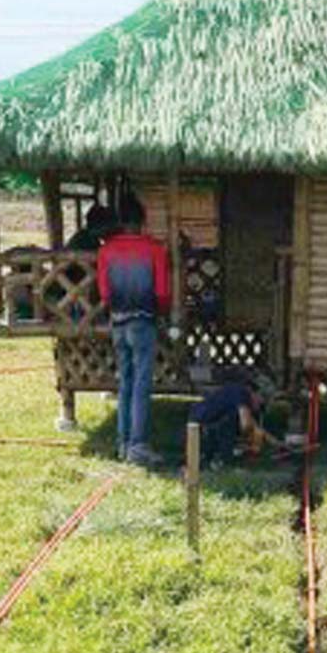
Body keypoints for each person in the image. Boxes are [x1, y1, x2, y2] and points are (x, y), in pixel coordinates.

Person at [96, 194, 170, 465]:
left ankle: (122, 442)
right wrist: (161, 313)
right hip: (143, 322)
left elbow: (104, 294)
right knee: (141, 384)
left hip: (117, 322)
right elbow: (162, 293)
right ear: (143, 221)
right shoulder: (154, 250)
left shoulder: (106, 251)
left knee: (124, 382)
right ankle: (138, 445)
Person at [187, 375, 278, 468]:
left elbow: (255, 426)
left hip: (199, 423)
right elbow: (246, 425)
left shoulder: (236, 392)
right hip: (205, 428)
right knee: (231, 421)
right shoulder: (242, 395)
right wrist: (252, 442)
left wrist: (275, 442)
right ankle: (223, 460)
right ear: (255, 393)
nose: (262, 405)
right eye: (263, 400)